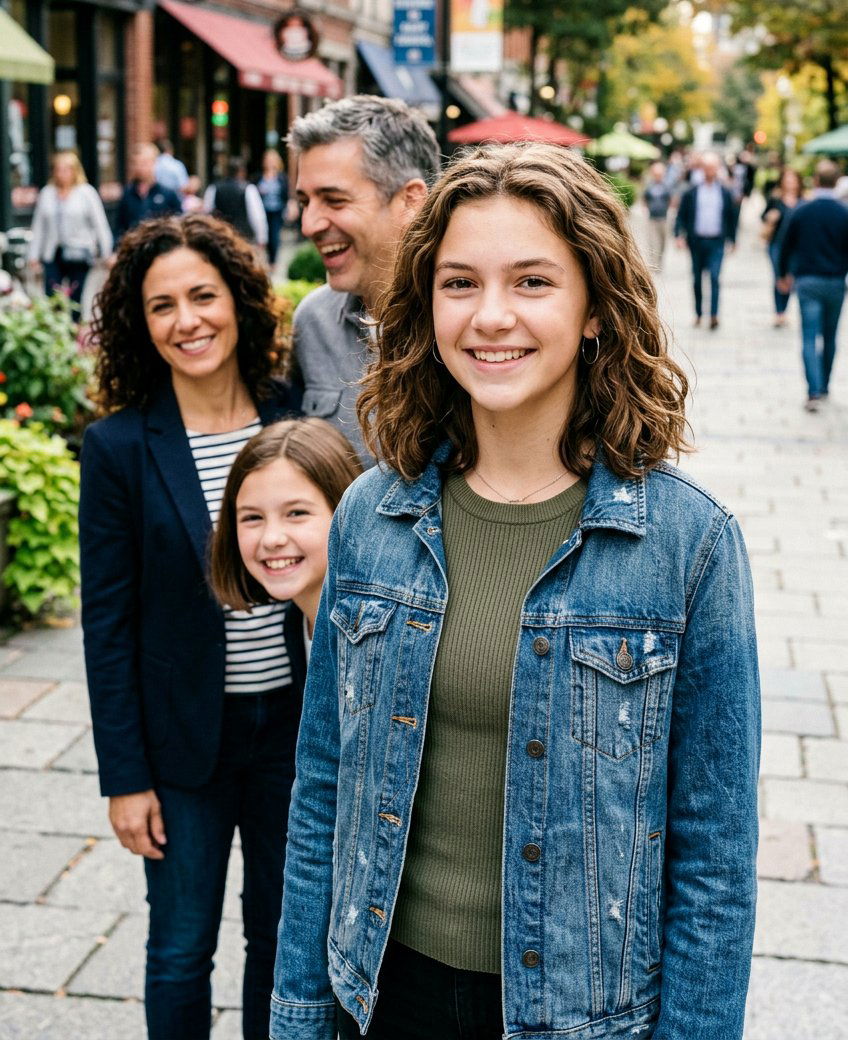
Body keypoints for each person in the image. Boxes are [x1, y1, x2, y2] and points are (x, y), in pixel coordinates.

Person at [271, 143, 760, 1040]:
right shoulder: (371, 516)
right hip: (382, 998)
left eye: (532, 281)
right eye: (460, 283)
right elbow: (323, 791)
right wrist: (298, 1016)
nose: (491, 316)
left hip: (584, 1017)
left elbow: (714, 863)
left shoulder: (687, 544)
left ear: (595, 309)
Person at [78, 214, 303, 1040]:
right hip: (180, 746)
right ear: (140, 324)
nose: (187, 320)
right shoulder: (118, 447)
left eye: (203, 296)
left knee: (282, 942)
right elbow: (107, 622)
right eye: (162, 305)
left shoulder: (292, 415)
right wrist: (124, 778)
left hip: (293, 731)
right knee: (179, 950)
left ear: (238, 299)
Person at [289, 94, 440, 461]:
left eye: (334, 200)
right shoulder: (313, 322)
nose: (309, 225)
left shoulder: (470, 324)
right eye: (305, 202)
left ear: (411, 201)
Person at [209, 418, 362, 659]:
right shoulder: (296, 622)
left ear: (346, 511)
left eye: (296, 513)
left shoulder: (374, 637)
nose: (271, 539)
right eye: (253, 517)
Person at [777, 158, 848, 411]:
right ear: (836, 182)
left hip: (807, 281)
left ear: (816, 181)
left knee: (809, 336)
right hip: (836, 282)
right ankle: (825, 385)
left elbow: (785, 245)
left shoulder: (802, 211)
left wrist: (783, 274)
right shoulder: (844, 212)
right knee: (830, 336)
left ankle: (813, 390)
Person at [28, 150, 113, 314]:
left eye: (66, 169)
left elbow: (100, 224)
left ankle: (74, 326)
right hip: (53, 252)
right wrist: (33, 254)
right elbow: (39, 226)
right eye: (58, 169)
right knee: (52, 296)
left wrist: (106, 252)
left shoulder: (86, 192)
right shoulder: (47, 193)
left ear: (75, 171)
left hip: (79, 252)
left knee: (75, 298)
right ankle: (55, 326)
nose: (62, 174)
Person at [674, 150, 738, 328]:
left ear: (718, 169)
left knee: (715, 277)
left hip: (717, 241)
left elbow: (732, 218)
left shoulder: (725, 192)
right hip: (696, 241)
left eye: (713, 167)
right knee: (697, 279)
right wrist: (678, 235)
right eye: (707, 167)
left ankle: (714, 314)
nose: (710, 170)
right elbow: (681, 215)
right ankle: (699, 313)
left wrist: (733, 239)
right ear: (701, 169)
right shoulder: (691, 192)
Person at [761, 166, 804, 327]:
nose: (790, 183)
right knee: (779, 276)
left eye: (793, 179)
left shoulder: (803, 202)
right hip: (777, 244)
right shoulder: (776, 200)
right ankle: (779, 312)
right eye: (787, 180)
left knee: (790, 277)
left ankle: (783, 310)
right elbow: (763, 216)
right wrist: (770, 217)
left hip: (796, 247)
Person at [117, 142, 183, 239]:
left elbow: (179, 225)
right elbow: (120, 227)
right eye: (135, 163)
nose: (139, 167)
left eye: (144, 163)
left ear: (154, 163)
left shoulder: (168, 194)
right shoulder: (127, 193)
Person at [205, 158, 268, 252]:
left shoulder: (213, 188)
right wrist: (262, 238)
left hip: (221, 237)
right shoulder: (249, 189)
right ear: (242, 172)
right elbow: (257, 216)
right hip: (243, 238)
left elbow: (207, 213)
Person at [255, 149, 289, 268]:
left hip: (276, 210)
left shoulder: (281, 177)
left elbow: (286, 193)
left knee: (274, 234)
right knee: (264, 234)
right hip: (262, 210)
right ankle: (266, 258)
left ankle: (273, 261)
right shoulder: (259, 176)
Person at [641, 159, 674, 271]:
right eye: (656, 174)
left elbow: (671, 199)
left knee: (663, 242)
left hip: (664, 218)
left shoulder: (666, 186)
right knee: (653, 241)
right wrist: (645, 209)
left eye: (660, 174)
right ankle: (654, 263)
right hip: (652, 218)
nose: (658, 176)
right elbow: (644, 198)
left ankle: (659, 261)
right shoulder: (649, 186)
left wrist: (670, 210)